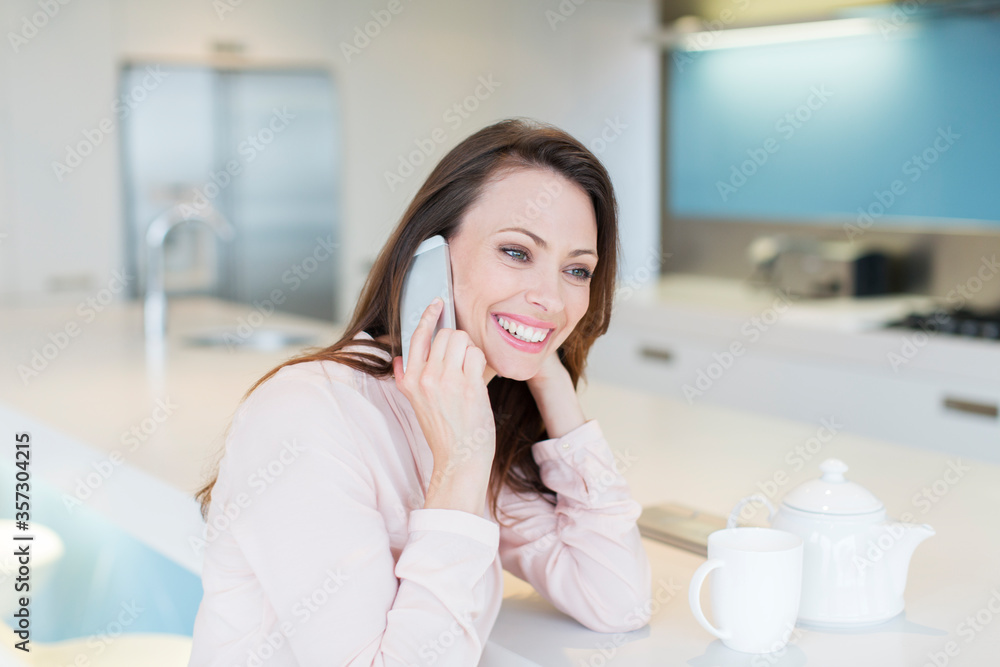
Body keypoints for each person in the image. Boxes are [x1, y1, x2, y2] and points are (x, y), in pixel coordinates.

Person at [188, 117, 652, 666]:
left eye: (577, 270)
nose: (552, 297)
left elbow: (617, 598)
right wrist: (459, 464)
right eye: (517, 253)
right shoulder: (308, 414)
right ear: (430, 256)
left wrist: (547, 373)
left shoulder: (477, 406)